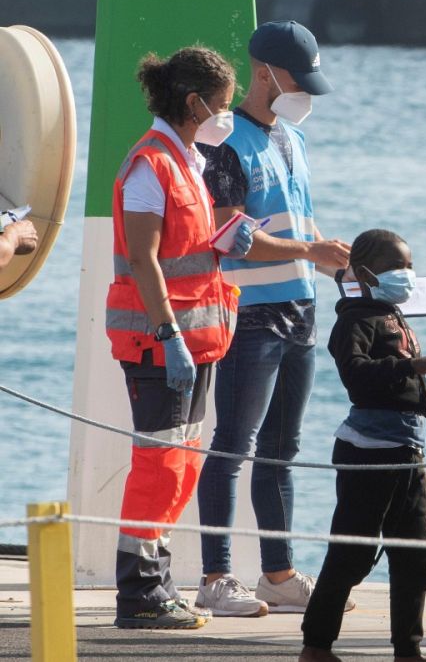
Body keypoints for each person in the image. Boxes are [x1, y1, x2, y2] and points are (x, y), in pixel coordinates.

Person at [195, 20, 352, 617]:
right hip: (250, 313)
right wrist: (311, 250)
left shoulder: (294, 138)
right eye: (297, 79)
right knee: (233, 445)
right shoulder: (225, 142)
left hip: (301, 308)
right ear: (264, 74)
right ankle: (215, 577)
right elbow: (229, 234)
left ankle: (278, 575)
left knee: (282, 448)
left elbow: (298, 221)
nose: (305, 92)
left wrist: (339, 264)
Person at [106, 46, 245, 630]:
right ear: (193, 103)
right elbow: (143, 258)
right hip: (159, 344)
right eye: (221, 105)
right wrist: (168, 334)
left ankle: (159, 583)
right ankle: (139, 594)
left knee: (181, 465)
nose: (224, 116)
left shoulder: (187, 159)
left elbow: (182, 250)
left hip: (194, 342)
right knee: (157, 466)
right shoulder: (151, 164)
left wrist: (225, 242)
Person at [300, 229, 426, 662]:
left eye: (410, 265)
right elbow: (356, 373)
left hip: (407, 449)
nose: (407, 274)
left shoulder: (390, 312)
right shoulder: (354, 321)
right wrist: (410, 366)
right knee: (353, 552)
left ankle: (408, 650)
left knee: (417, 554)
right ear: (366, 274)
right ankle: (316, 646)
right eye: (397, 267)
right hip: (369, 452)